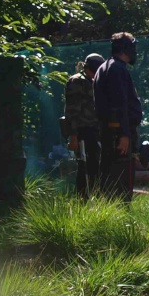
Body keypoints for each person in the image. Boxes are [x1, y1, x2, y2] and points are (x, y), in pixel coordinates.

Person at [93, 32, 143, 202]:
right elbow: (119, 104)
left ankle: (110, 216)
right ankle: (120, 220)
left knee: (110, 177)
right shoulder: (116, 69)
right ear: (126, 48)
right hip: (117, 134)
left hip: (111, 132)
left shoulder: (106, 67)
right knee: (120, 180)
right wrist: (124, 134)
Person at [64, 53, 105, 198]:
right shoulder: (77, 81)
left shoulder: (94, 81)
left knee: (95, 166)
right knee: (84, 167)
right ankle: (83, 199)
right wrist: (73, 136)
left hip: (95, 130)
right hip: (82, 131)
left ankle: (95, 197)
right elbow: (72, 112)